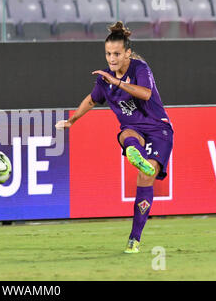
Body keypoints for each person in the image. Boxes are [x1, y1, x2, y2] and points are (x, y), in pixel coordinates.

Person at [56, 22, 173, 253]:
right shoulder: (104, 79)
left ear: (127, 53)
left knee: (145, 176)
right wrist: (72, 120)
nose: (112, 58)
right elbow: (91, 100)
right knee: (126, 134)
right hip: (134, 129)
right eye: (108, 54)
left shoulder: (140, 69)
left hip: (159, 129)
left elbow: (146, 93)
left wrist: (118, 82)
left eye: (117, 53)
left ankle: (134, 238)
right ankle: (134, 153)